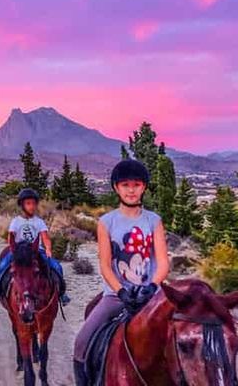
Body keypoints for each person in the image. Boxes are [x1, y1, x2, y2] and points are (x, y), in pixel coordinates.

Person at [72, 159, 169, 386]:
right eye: (125, 185)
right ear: (116, 187)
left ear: (144, 187)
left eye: (136, 184)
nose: (131, 189)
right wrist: (122, 292)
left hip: (150, 296)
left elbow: (163, 262)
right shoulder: (107, 222)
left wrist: (152, 287)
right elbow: (106, 265)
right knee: (81, 343)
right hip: (116, 296)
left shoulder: (153, 221)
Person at [0, 188, 71, 306]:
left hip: (35, 251)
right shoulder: (16, 221)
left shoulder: (39, 222)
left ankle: (62, 294)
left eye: (33, 203)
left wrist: (48, 248)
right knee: (2, 266)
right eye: (28, 203)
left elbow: (45, 237)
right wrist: (14, 249)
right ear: (22, 205)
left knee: (56, 266)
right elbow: (10, 238)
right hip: (19, 251)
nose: (32, 206)